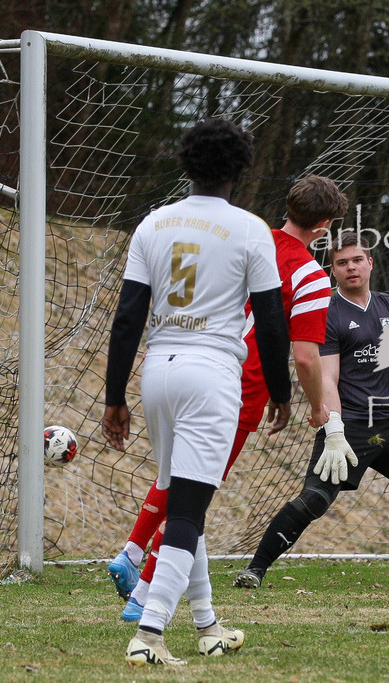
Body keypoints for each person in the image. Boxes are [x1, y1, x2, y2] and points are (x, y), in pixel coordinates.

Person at [108, 175, 350, 622]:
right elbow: (305, 357)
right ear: (324, 226)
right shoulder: (310, 275)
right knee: (193, 494)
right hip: (238, 385)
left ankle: (132, 552)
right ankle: (145, 597)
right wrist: (318, 406)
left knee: (173, 473)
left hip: (170, 361)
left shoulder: (243, 236)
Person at [101, 118, 294, 666]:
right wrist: (281, 391)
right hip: (211, 373)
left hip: (158, 372)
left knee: (187, 499)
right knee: (186, 511)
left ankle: (207, 624)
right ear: (240, 169)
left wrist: (114, 396)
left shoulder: (153, 224)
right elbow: (270, 320)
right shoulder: (250, 229)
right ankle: (150, 633)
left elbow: (128, 317)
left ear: (186, 163)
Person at [234, 231, 389, 588]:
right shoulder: (327, 311)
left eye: (357, 260)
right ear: (332, 270)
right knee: (315, 500)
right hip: (348, 427)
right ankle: (255, 570)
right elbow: (327, 377)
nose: (351, 268)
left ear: (370, 264)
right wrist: (333, 426)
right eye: (342, 262)